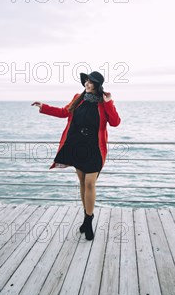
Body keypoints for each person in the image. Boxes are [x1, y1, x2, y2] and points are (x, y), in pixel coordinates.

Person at [31, 71, 121, 240]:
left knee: (89, 183)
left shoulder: (104, 102)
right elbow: (64, 112)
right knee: (81, 182)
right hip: (77, 145)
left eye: (91, 82)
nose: (87, 84)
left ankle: (89, 218)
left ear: (97, 85)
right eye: (86, 81)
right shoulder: (78, 98)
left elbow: (115, 122)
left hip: (94, 148)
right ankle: (86, 218)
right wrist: (43, 107)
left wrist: (109, 102)